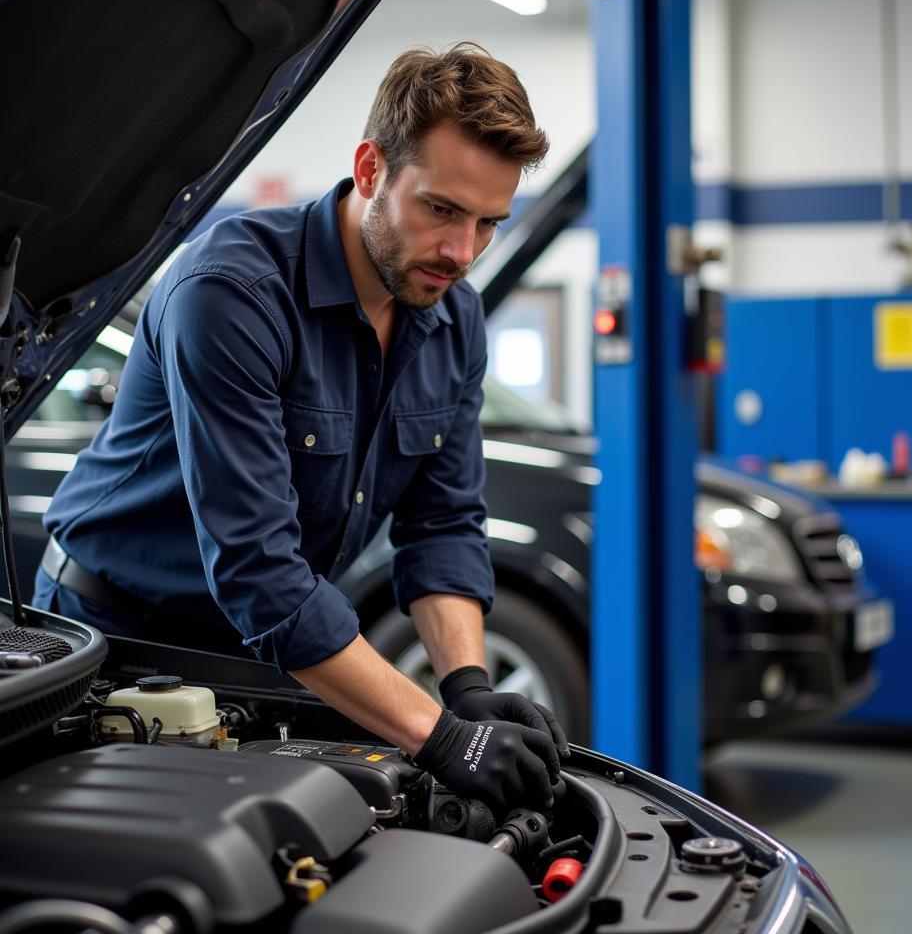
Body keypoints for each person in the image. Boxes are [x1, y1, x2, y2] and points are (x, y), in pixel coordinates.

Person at [33, 43, 568, 811]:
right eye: (442, 209)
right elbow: (261, 571)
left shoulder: (454, 318)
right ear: (371, 168)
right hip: (116, 638)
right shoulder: (229, 292)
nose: (462, 252)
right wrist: (442, 738)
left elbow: (443, 524)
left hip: (267, 649)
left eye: (489, 223)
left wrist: (466, 686)